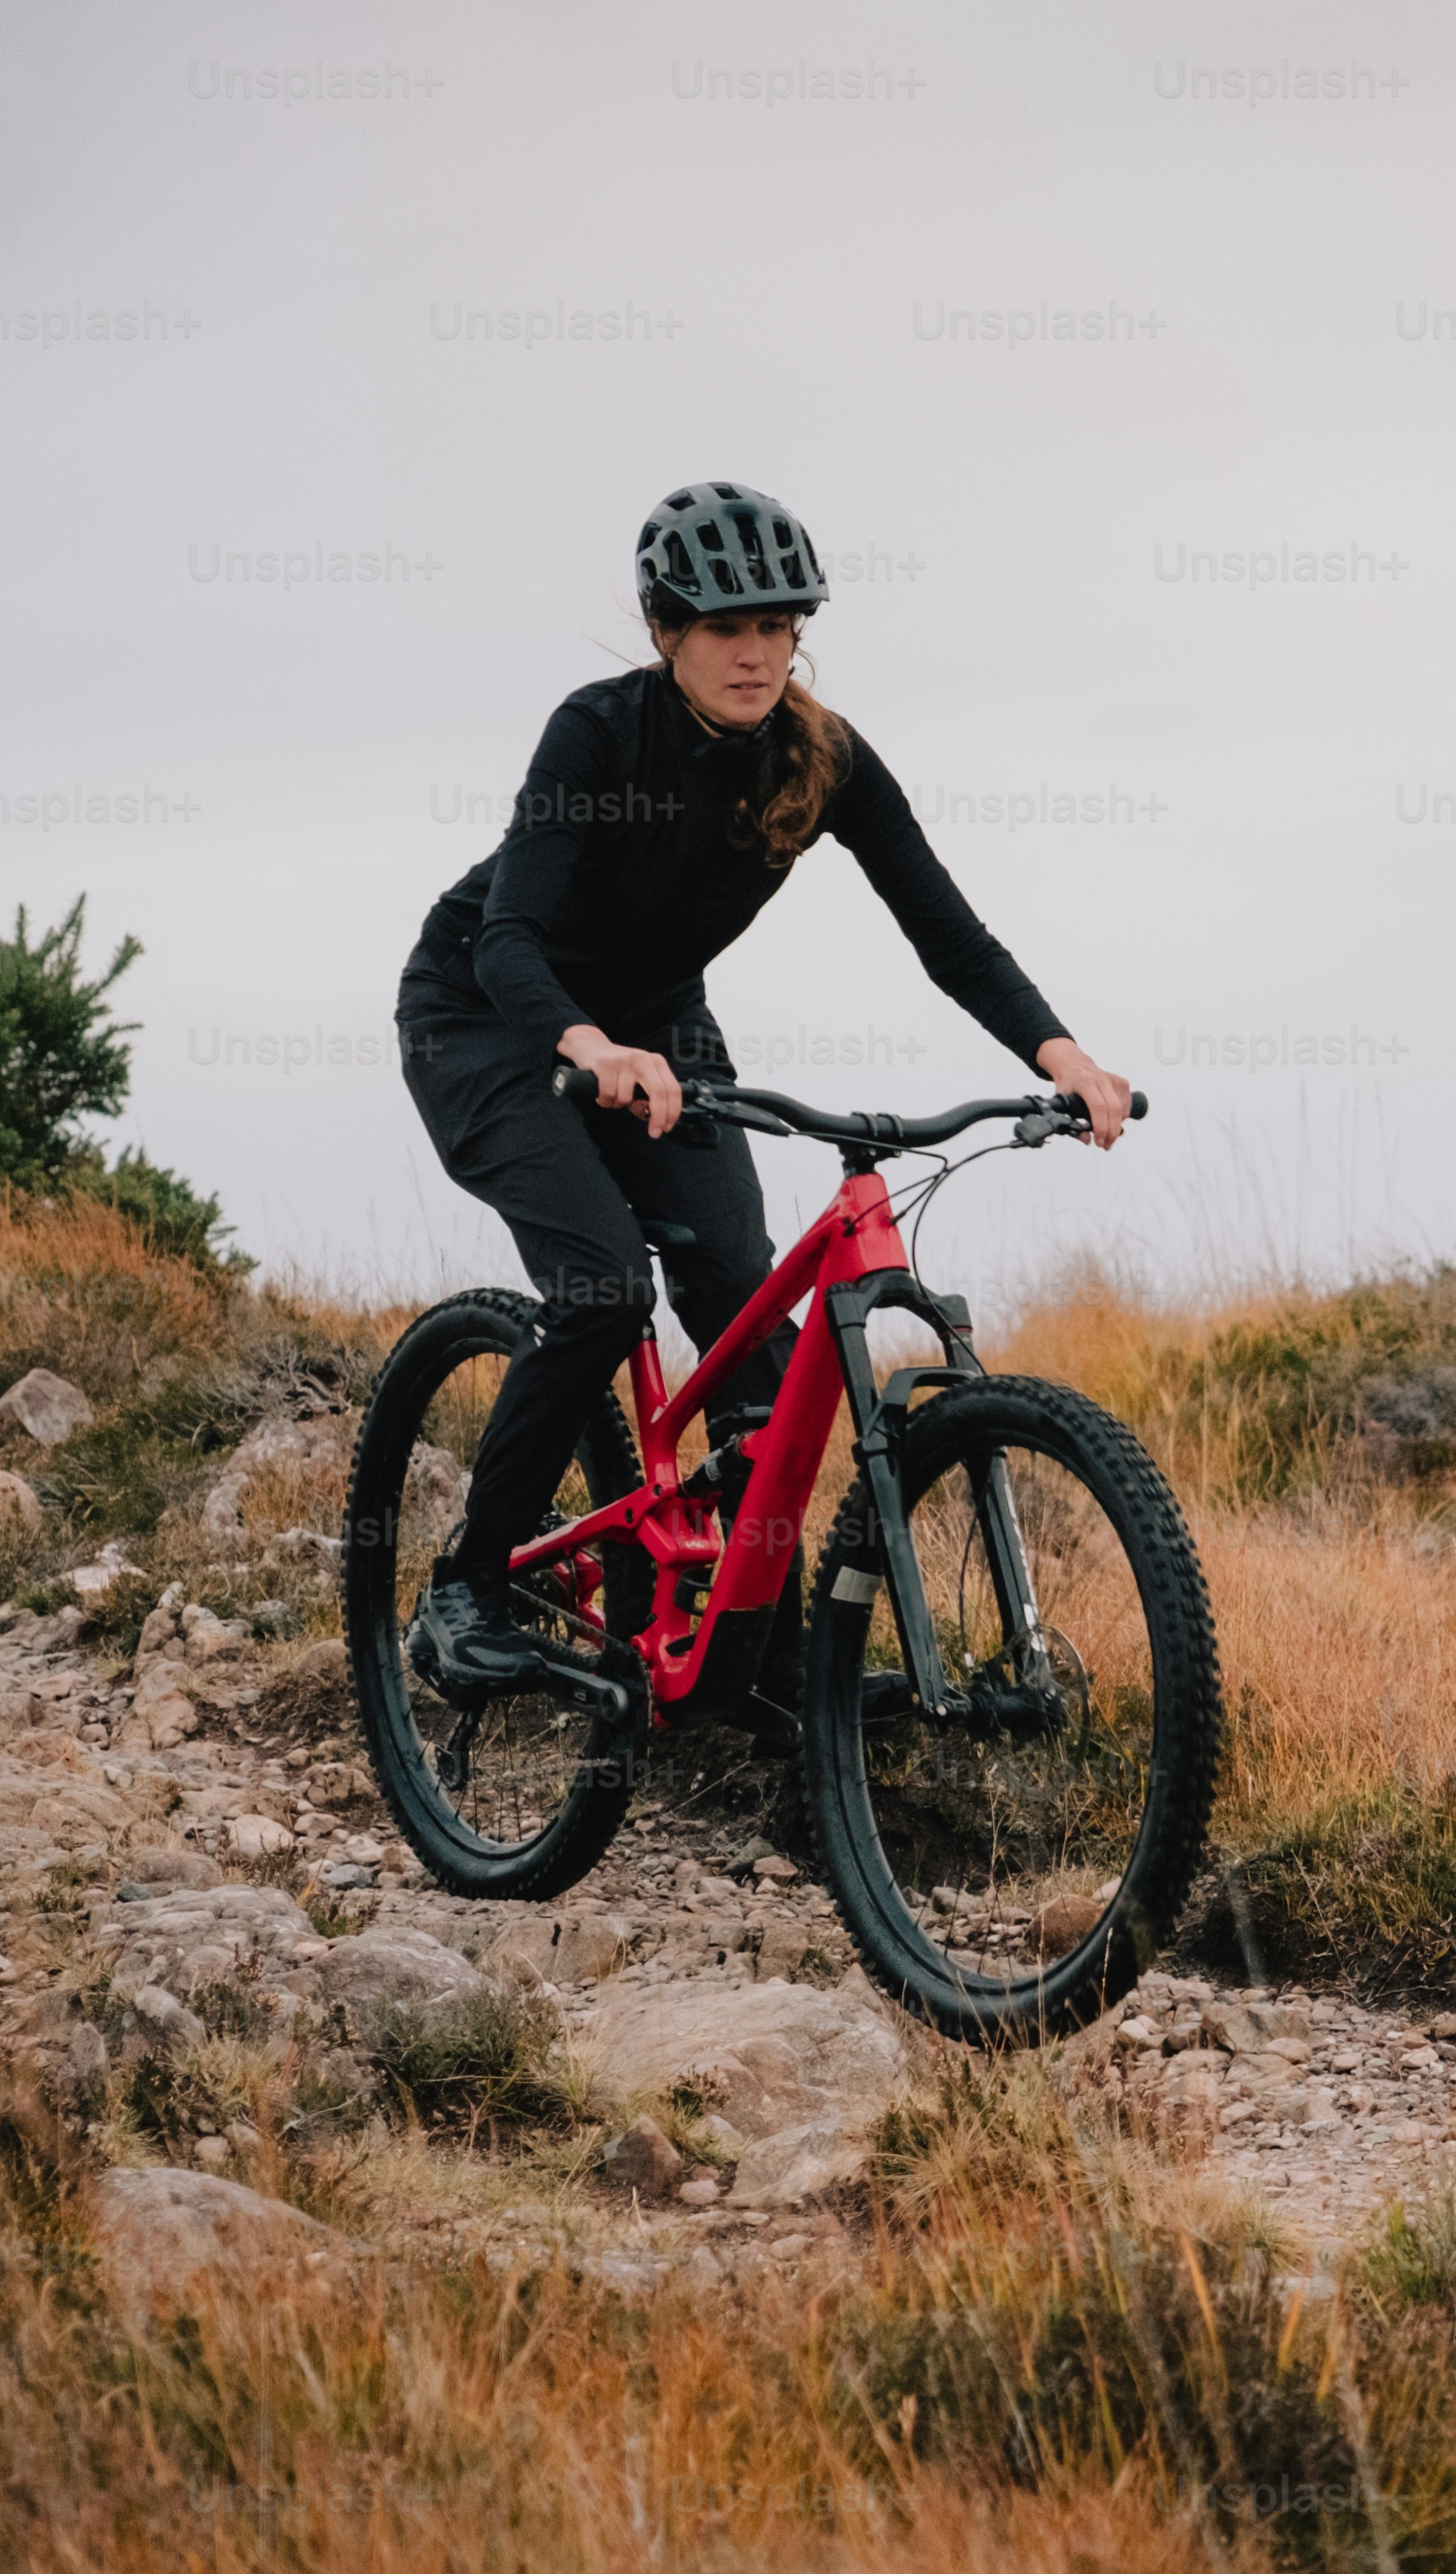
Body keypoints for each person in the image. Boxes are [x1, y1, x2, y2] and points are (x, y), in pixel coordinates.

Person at [393, 479, 1127, 1702]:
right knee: (602, 1283)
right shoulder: (597, 735)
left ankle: (761, 1659)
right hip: (489, 1014)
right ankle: (465, 1586)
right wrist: (589, 1044)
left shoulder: (823, 759)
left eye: (779, 626)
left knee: (758, 1342)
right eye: (726, 627)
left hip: (659, 1027)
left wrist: (1060, 1055)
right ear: (664, 630)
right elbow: (507, 936)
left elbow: (948, 932)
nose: (755, 652)